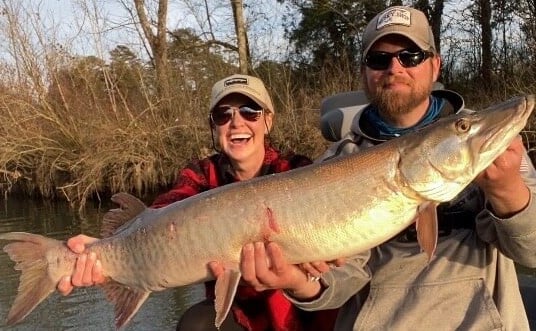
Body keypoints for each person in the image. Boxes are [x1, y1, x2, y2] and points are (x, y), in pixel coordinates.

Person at [208, 6, 536, 331]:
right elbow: (344, 275)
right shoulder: (338, 161)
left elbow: (531, 254)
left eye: (410, 56)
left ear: (435, 66)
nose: (395, 67)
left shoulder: (479, 141)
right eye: (379, 59)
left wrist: (507, 192)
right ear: (364, 73)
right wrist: (298, 282)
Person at [57, 74, 338, 330]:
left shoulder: (297, 169)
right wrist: (96, 254)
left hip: (297, 307)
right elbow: (164, 212)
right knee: (195, 326)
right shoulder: (201, 174)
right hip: (233, 311)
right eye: (223, 114)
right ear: (213, 126)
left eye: (250, 112)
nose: (237, 122)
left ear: (268, 120)